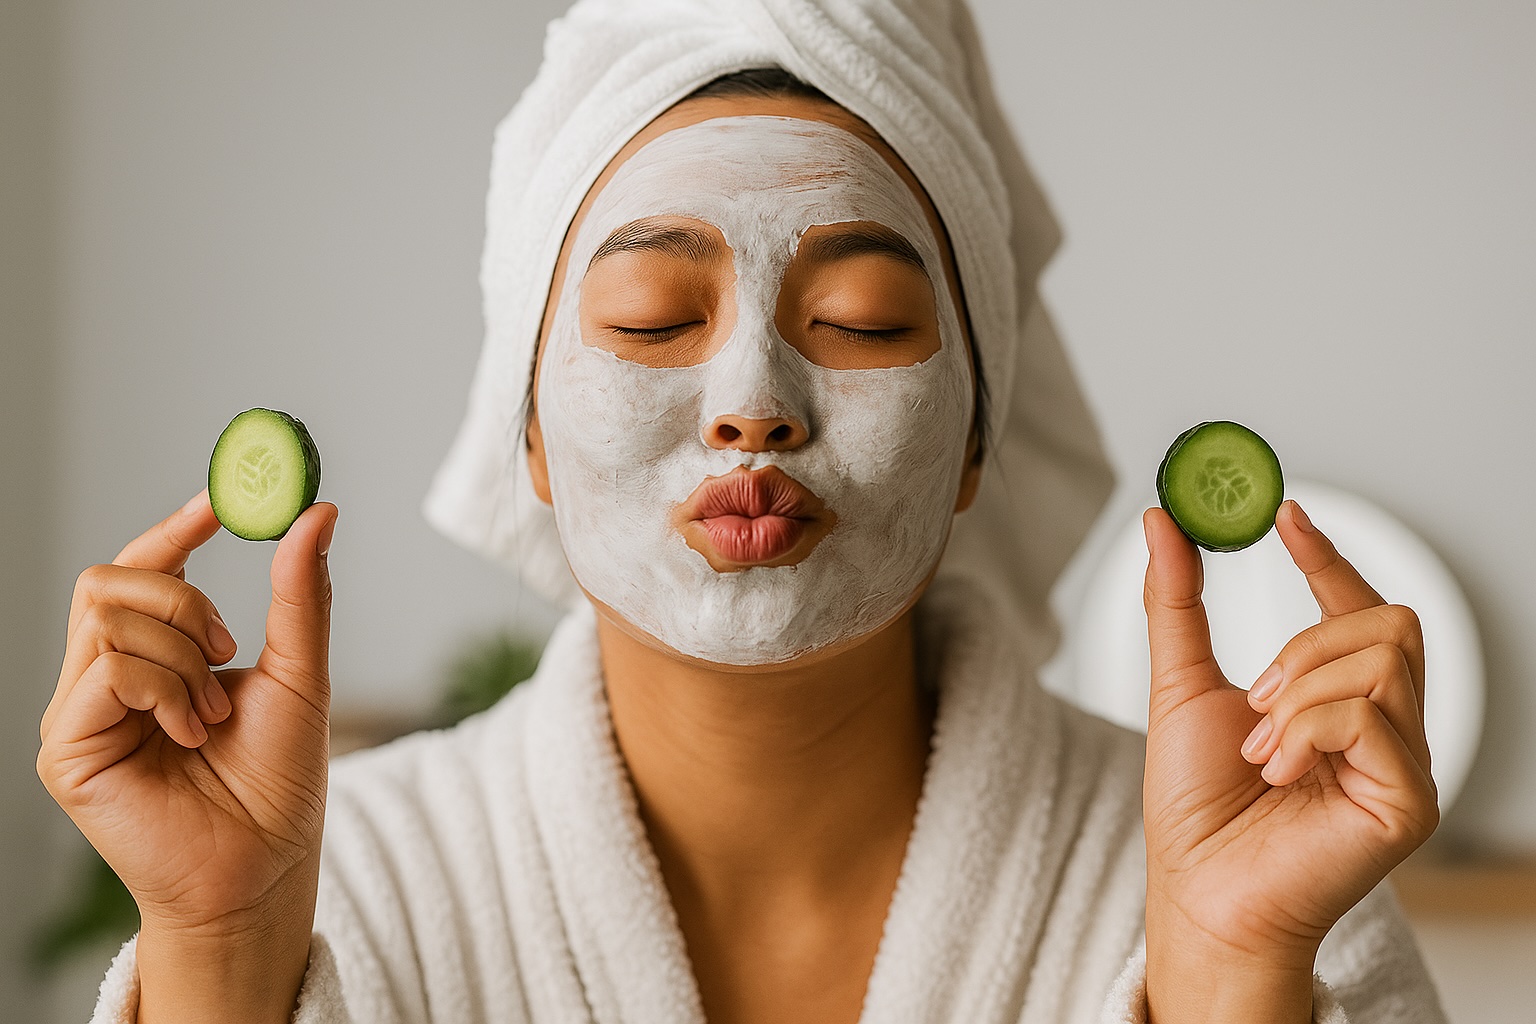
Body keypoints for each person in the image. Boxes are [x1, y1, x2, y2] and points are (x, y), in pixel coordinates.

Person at [39, 1, 1446, 1021]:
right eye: (654, 317)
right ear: (531, 434)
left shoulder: (1250, 881)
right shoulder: (352, 884)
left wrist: (1229, 972)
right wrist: (220, 947)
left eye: (860, 316)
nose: (751, 402)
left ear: (974, 441)